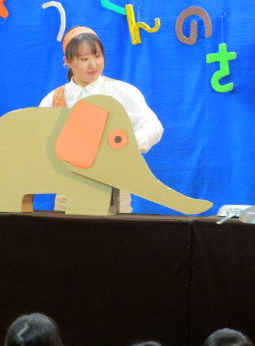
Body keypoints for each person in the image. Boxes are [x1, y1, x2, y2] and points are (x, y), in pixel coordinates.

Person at [39, 26, 164, 213]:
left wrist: (126, 146)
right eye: (84, 59)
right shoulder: (54, 99)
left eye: (97, 56)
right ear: (67, 62)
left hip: (114, 192)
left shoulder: (120, 91)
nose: (93, 65)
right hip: (68, 194)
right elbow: (41, 140)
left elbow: (153, 126)